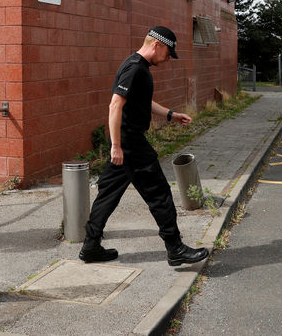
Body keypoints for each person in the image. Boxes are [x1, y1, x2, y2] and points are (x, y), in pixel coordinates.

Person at [79, 26, 209, 267]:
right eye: (169, 53)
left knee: (107, 194)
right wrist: (116, 146)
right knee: (159, 194)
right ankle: (176, 248)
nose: (169, 59)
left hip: (125, 143)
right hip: (131, 144)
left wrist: (171, 114)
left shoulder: (138, 67)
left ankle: (90, 246)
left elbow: (143, 101)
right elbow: (114, 106)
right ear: (156, 45)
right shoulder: (134, 68)